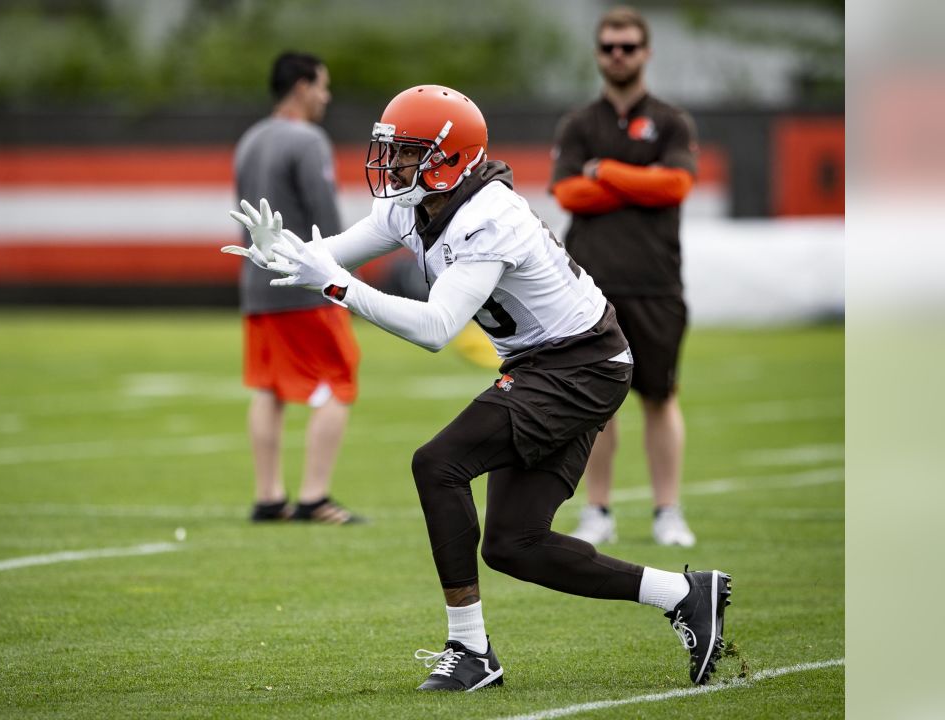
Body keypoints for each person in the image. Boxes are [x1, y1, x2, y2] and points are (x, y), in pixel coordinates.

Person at [224, 84, 731, 691]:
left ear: (452, 158)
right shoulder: (414, 203)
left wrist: (336, 288)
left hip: (581, 366)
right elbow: (330, 254)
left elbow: (437, 326)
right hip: (554, 363)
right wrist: (280, 251)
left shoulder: (490, 217)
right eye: (392, 150)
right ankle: (683, 593)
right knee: (515, 545)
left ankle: (469, 650)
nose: (394, 166)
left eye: (408, 153)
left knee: (437, 464)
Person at [551, 6, 699, 547]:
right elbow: (568, 193)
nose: (619, 55)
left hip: (657, 282)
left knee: (660, 397)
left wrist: (606, 172)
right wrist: (641, 178)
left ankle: (668, 513)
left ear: (646, 52)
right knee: (598, 402)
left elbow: (676, 186)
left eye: (629, 46)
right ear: (597, 53)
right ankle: (599, 512)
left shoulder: (672, 120)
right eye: (610, 46)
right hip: (588, 286)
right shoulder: (578, 124)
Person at [229, 51, 362, 525]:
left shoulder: (249, 139)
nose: (326, 96)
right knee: (339, 379)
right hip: (302, 289)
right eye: (323, 86)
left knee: (269, 387)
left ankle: (268, 497)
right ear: (303, 86)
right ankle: (314, 496)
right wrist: (347, 280)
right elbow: (326, 220)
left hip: (256, 286)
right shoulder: (308, 140)